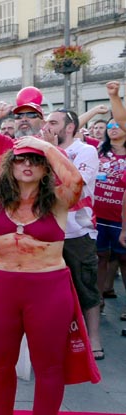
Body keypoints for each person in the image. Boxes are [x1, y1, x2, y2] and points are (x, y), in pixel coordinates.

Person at [0, 100, 84, 415]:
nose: (27, 165)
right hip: (2, 286)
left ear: (46, 166)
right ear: (9, 165)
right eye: (20, 159)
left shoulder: (59, 201)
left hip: (47, 289)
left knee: (48, 365)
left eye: (35, 161)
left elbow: (76, 179)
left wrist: (44, 144)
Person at [43, 109, 103, 361]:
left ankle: (94, 339)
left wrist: (51, 151)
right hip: (49, 231)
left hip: (78, 231)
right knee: (51, 292)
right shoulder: (44, 149)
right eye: (47, 122)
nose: (48, 126)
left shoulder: (85, 150)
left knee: (85, 285)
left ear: (69, 128)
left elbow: (74, 182)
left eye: (54, 123)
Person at [97, 119, 126, 320]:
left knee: (124, 260)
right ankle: (98, 302)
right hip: (97, 216)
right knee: (100, 258)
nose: (112, 128)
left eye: (117, 124)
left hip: (121, 219)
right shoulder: (97, 149)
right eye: (109, 126)